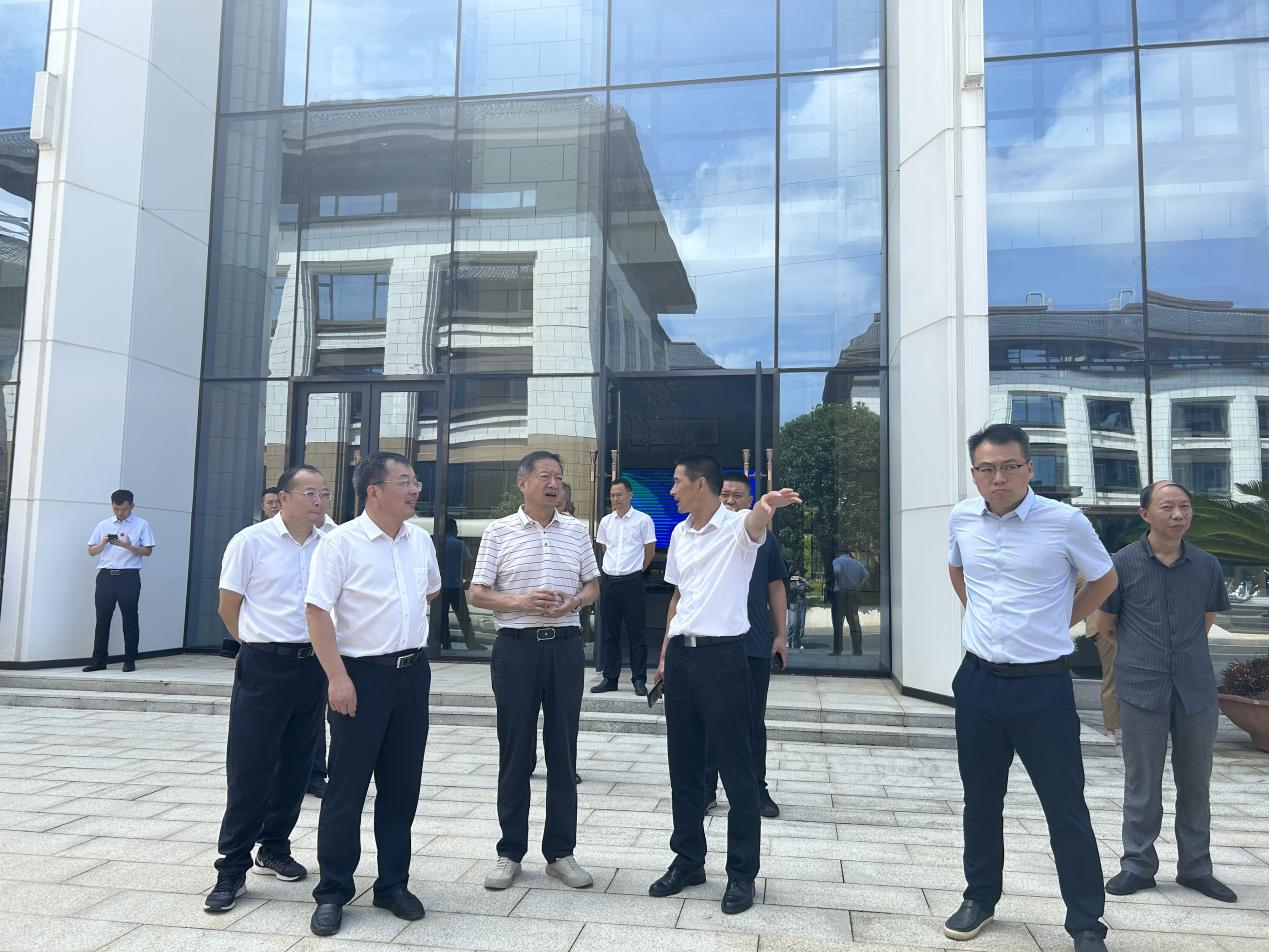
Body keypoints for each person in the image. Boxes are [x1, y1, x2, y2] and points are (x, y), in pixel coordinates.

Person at [945, 423, 1117, 952]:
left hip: (1042, 686)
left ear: (1029, 469)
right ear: (974, 473)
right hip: (977, 682)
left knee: (1065, 806)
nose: (998, 477)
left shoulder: (1064, 522)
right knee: (980, 800)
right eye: (987, 468)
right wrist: (982, 617)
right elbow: (957, 571)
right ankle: (980, 896)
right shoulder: (961, 518)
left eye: (1009, 467)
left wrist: (1060, 620)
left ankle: (1086, 921)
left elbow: (1105, 578)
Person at [648, 453, 800, 916]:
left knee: (737, 770)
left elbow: (754, 525)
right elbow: (679, 596)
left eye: (677, 482)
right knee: (684, 766)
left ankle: (741, 874)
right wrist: (664, 653)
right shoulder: (679, 533)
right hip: (683, 657)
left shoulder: (737, 527)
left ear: (700, 484)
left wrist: (766, 506)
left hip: (724, 658)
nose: (671, 491)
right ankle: (688, 861)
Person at [304, 452, 442, 937]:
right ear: (374, 490)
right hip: (360, 677)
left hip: (411, 675)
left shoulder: (419, 540)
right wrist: (337, 677)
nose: (415, 489)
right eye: (405, 481)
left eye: (415, 480)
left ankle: (392, 884)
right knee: (346, 789)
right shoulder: (340, 543)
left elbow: (429, 592)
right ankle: (333, 890)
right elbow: (317, 612)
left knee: (402, 787)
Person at [1097, 481, 1237, 904]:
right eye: (1167, 507)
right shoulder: (1121, 563)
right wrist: (1146, 653)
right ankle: (1137, 865)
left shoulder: (1207, 565)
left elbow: (1206, 619)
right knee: (1142, 783)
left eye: (1185, 507)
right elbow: (1107, 625)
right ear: (1145, 514)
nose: (1178, 515)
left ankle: (1196, 868)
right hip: (1142, 687)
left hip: (1195, 689)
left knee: (1196, 783)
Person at [469, 451, 600, 892]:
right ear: (522, 483)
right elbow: (477, 593)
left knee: (564, 750)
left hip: (565, 646)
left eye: (558, 477)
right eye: (545, 476)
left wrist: (575, 601)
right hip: (517, 649)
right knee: (515, 750)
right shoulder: (499, 531)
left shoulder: (577, 531)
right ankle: (509, 852)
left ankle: (561, 853)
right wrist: (521, 602)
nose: (554, 484)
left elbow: (593, 585)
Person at [204, 465, 332, 913]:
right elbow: (228, 606)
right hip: (264, 664)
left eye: (324, 493)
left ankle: (274, 847)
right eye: (310, 492)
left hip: (313, 665)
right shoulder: (251, 541)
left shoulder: (331, 542)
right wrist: (252, 645)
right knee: (251, 765)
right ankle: (231, 867)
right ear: (284, 497)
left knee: (297, 763)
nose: (319, 500)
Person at [704, 472, 789, 819]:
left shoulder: (765, 539)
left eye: (737, 496)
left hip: (753, 643)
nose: (729, 501)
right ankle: (706, 788)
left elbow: (776, 587)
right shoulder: (704, 535)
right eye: (724, 495)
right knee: (710, 718)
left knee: (752, 720)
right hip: (712, 644)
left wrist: (780, 635)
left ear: (750, 501)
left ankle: (757, 789)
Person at [592, 477, 656, 695]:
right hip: (609, 581)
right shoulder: (605, 522)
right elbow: (604, 548)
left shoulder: (643, 520)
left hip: (632, 582)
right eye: (612, 495)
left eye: (619, 494)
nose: (615, 499)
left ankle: (639, 679)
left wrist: (637, 570)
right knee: (609, 633)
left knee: (636, 632)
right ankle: (610, 678)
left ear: (630, 495)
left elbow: (649, 551)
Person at [83, 490, 156, 673]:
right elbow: (91, 551)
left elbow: (148, 551)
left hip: (128, 576)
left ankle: (129, 659)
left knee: (130, 618)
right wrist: (103, 543)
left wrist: (129, 546)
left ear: (132, 506)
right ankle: (99, 660)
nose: (120, 512)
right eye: (116, 509)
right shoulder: (103, 524)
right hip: (106, 576)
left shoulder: (142, 524)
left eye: (124, 509)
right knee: (102, 619)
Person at [441, 517, 482, 651]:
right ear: (454, 529)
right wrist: (468, 579)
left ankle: (445, 644)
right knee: (464, 617)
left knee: (442, 617)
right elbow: (468, 562)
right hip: (456, 586)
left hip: (441, 587)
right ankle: (471, 643)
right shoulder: (459, 544)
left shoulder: (438, 544)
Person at [830, 548, 868, 656]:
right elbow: (867, 575)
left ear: (838, 552)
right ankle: (857, 649)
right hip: (853, 593)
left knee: (838, 623)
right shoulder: (857, 563)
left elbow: (837, 571)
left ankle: (838, 650)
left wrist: (841, 585)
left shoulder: (837, 560)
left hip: (841, 595)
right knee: (854, 622)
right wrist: (859, 587)